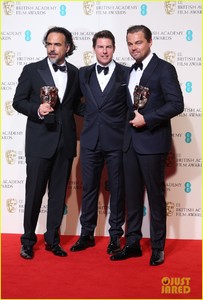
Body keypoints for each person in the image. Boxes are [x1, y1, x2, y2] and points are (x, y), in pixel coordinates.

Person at [110, 25, 184, 265]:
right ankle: (132, 243)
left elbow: (176, 104)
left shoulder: (164, 69)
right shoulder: (130, 71)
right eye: (130, 44)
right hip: (130, 143)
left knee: (155, 196)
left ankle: (158, 247)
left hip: (153, 142)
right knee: (131, 196)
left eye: (138, 43)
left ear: (150, 41)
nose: (134, 48)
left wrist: (148, 119)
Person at [13, 26, 83, 259]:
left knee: (57, 195)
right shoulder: (32, 70)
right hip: (39, 143)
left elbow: (76, 106)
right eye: (49, 44)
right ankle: (28, 241)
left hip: (64, 144)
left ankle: (53, 240)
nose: (52, 48)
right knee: (33, 193)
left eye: (57, 44)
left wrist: (106, 110)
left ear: (68, 47)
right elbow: (18, 101)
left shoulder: (74, 73)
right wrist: (37, 109)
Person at [70, 30, 129, 254]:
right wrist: (93, 113)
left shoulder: (126, 73)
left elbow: (132, 105)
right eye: (100, 47)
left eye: (108, 47)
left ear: (114, 49)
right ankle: (87, 234)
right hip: (90, 141)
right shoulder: (83, 73)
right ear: (94, 48)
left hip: (117, 141)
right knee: (89, 190)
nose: (104, 51)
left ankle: (115, 236)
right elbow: (73, 102)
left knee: (117, 189)